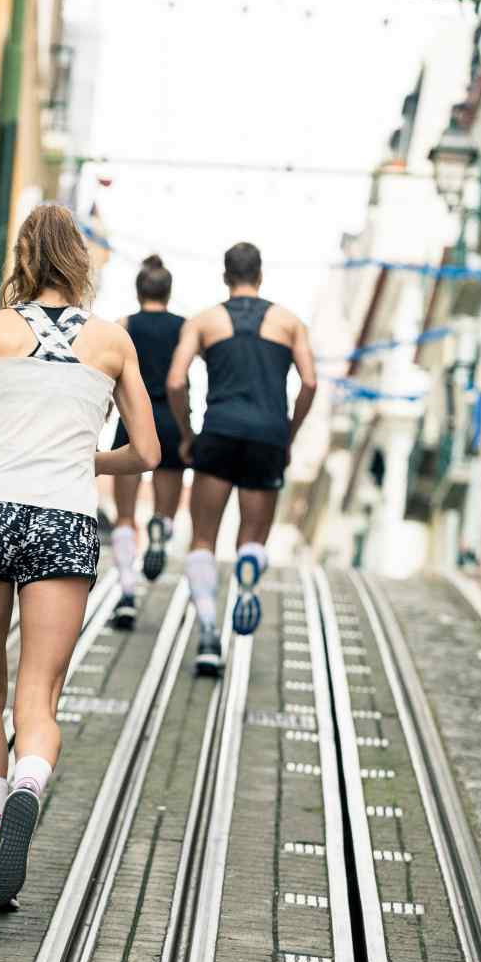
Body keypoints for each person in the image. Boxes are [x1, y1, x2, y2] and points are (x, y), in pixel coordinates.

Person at [0, 203, 160, 911]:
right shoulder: (113, 340)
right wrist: (86, 457)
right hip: (62, 520)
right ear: (79, 263)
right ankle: (30, 784)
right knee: (40, 693)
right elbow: (148, 453)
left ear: (23, 256)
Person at [166, 240, 317, 676]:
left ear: (225, 276)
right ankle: (249, 566)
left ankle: (209, 631)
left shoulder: (204, 321)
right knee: (252, 537)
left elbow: (176, 382)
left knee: (203, 539)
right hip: (267, 438)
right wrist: (288, 433)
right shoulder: (290, 323)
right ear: (261, 275)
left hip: (218, 433)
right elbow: (309, 382)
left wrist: (187, 432)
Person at [109, 254, 186, 629]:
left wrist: (107, 416)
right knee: (165, 509)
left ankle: (126, 593)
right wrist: (190, 432)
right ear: (168, 293)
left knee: (124, 515)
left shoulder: (123, 326)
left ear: (138, 291)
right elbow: (182, 379)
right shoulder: (184, 328)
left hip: (131, 420)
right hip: (170, 421)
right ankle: (160, 530)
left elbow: (109, 378)